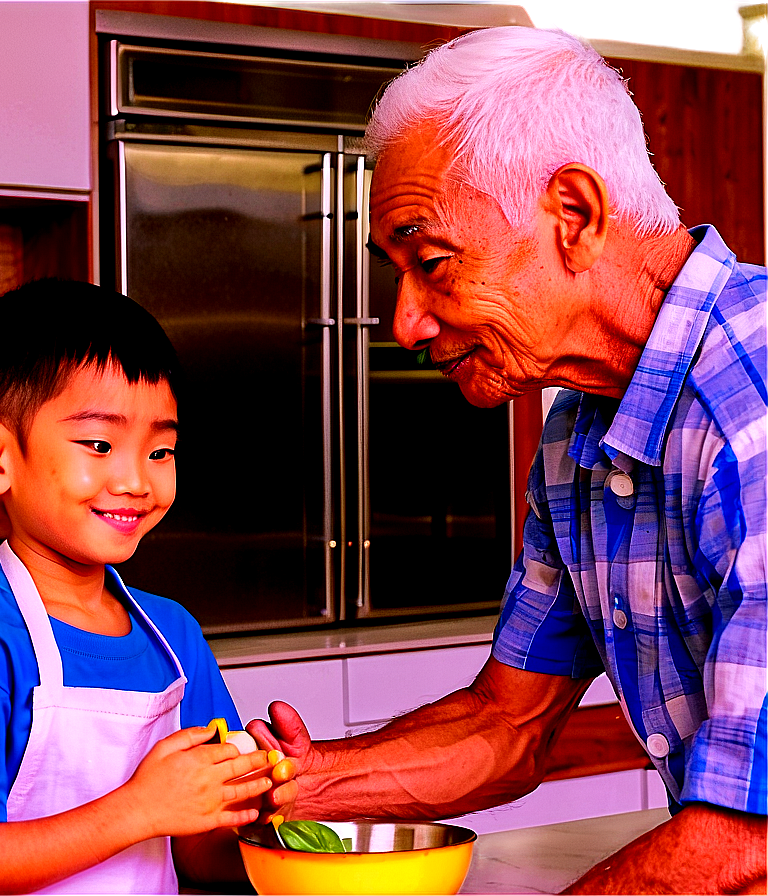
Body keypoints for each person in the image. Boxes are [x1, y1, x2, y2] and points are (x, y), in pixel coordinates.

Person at [247, 25, 767, 894]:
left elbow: (749, 835)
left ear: (574, 216)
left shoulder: (753, 399)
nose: (404, 322)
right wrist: (291, 783)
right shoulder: (578, 434)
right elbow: (508, 724)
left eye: (432, 261)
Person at [0, 279, 295, 894]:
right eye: (99, 444)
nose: (135, 480)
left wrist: (270, 815)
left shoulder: (173, 636)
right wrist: (140, 808)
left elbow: (198, 855)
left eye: (160, 451)